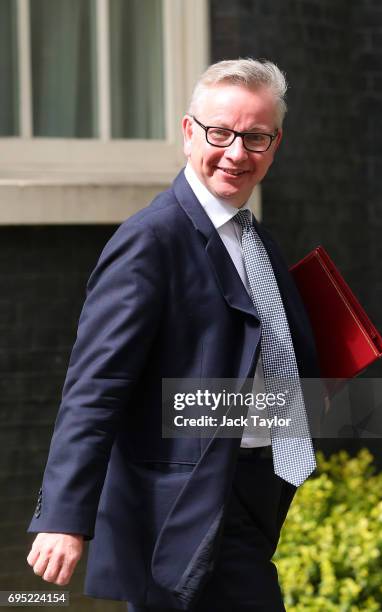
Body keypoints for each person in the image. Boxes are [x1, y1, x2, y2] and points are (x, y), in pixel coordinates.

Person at [27, 58, 320, 612]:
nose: (237, 153)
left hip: (249, 490)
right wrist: (64, 518)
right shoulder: (151, 240)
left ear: (274, 145)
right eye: (221, 133)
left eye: (255, 137)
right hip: (181, 509)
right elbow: (96, 385)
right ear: (189, 133)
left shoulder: (253, 238)